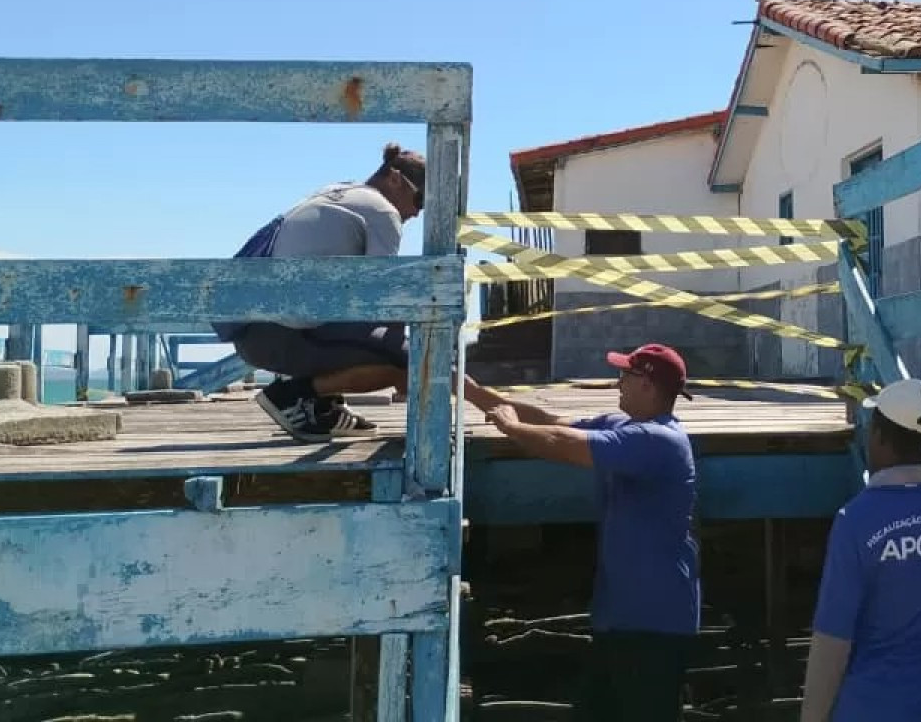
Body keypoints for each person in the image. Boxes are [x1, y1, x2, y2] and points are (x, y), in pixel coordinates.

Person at [471, 343, 701, 721]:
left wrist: (510, 427)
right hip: (621, 618)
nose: (618, 383)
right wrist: (472, 392)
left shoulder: (660, 441)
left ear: (648, 385)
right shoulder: (624, 426)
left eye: (626, 375)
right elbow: (550, 422)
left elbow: (563, 444)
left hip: (654, 622)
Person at [218, 142, 491, 442]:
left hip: (252, 330)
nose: (417, 211)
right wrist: (416, 359)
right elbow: (382, 301)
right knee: (406, 359)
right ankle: (292, 395)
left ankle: (325, 406)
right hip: (281, 336)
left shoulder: (340, 191)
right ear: (395, 179)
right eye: (420, 199)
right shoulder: (383, 212)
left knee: (379, 338)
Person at [800, 377, 921, 722]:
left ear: (878, 438)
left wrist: (812, 717)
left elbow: (833, 638)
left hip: (865, 707)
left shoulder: (855, 520)